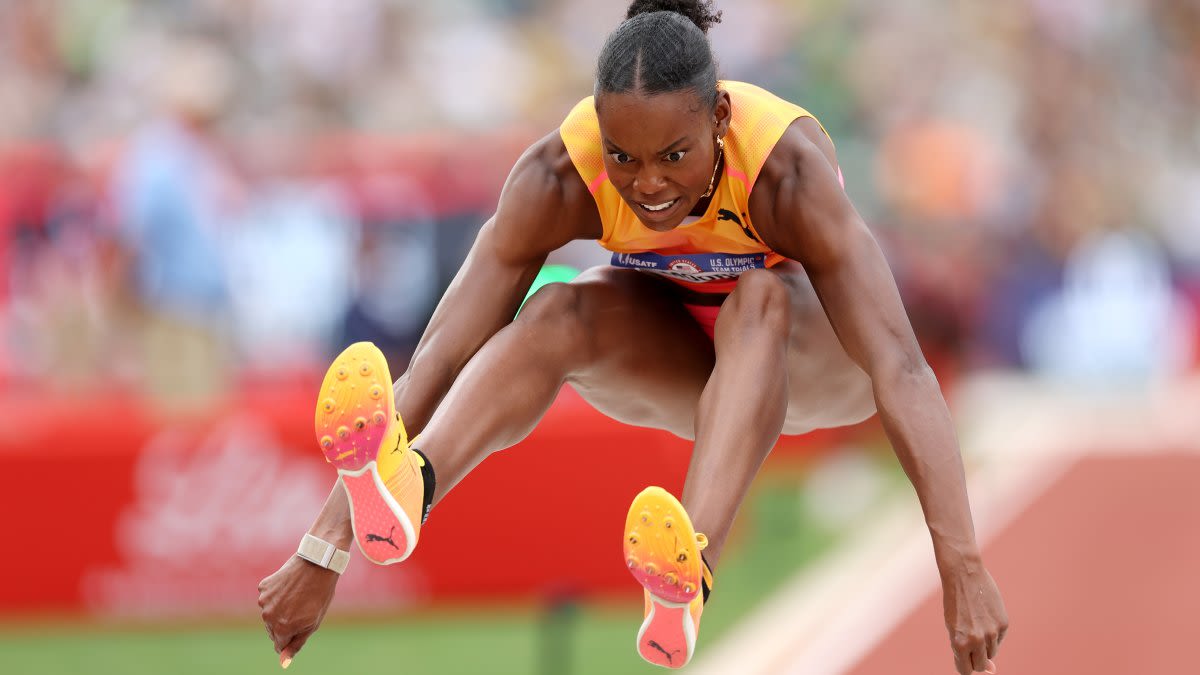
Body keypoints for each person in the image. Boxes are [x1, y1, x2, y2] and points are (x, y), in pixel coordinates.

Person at [257, 2, 1009, 672]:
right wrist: (325, 546)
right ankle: (414, 486)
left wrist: (963, 563)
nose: (647, 184)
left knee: (757, 299)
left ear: (719, 118)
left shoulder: (784, 171)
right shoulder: (561, 171)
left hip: (815, 367)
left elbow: (902, 369)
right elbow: (445, 350)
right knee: (556, 310)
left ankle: (690, 567)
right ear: (598, 125)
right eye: (625, 156)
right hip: (689, 362)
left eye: (674, 156)